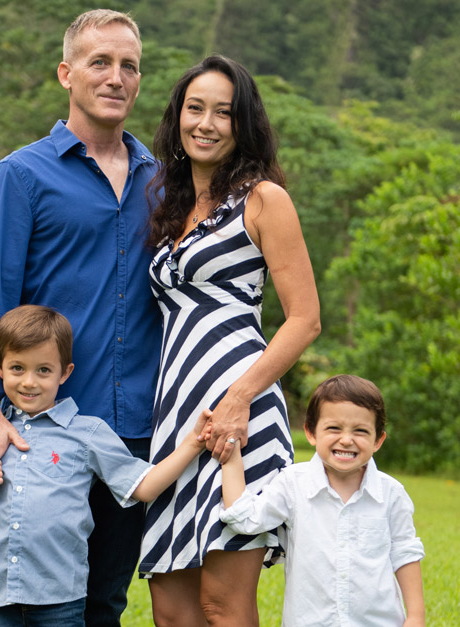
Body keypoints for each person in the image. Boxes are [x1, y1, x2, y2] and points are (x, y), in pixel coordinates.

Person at [0, 10, 161, 625]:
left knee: (104, 601)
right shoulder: (21, 175)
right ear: (66, 74)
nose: (116, 77)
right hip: (42, 430)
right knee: (32, 595)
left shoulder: (164, 181)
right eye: (100, 62)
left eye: (129, 65)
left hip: (136, 426)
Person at [138, 55, 321, 627]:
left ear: (243, 126)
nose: (207, 123)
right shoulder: (168, 205)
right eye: (196, 108)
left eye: (225, 112)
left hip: (239, 415)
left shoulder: (264, 199)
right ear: (178, 116)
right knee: (170, 610)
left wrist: (239, 398)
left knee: (223, 605)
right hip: (176, 421)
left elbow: (305, 320)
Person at [0, 305, 211, 627]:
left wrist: (193, 442)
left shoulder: (87, 432)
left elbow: (144, 485)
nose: (29, 382)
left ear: (64, 373)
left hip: (58, 598)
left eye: (43, 370)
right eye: (17, 368)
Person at [220, 374, 426, 627]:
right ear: (311, 432)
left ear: (378, 440)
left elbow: (405, 552)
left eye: (361, 431)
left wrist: (415, 617)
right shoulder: (293, 484)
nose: (347, 439)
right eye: (334, 428)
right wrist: (231, 456)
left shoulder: (391, 493)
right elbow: (246, 518)